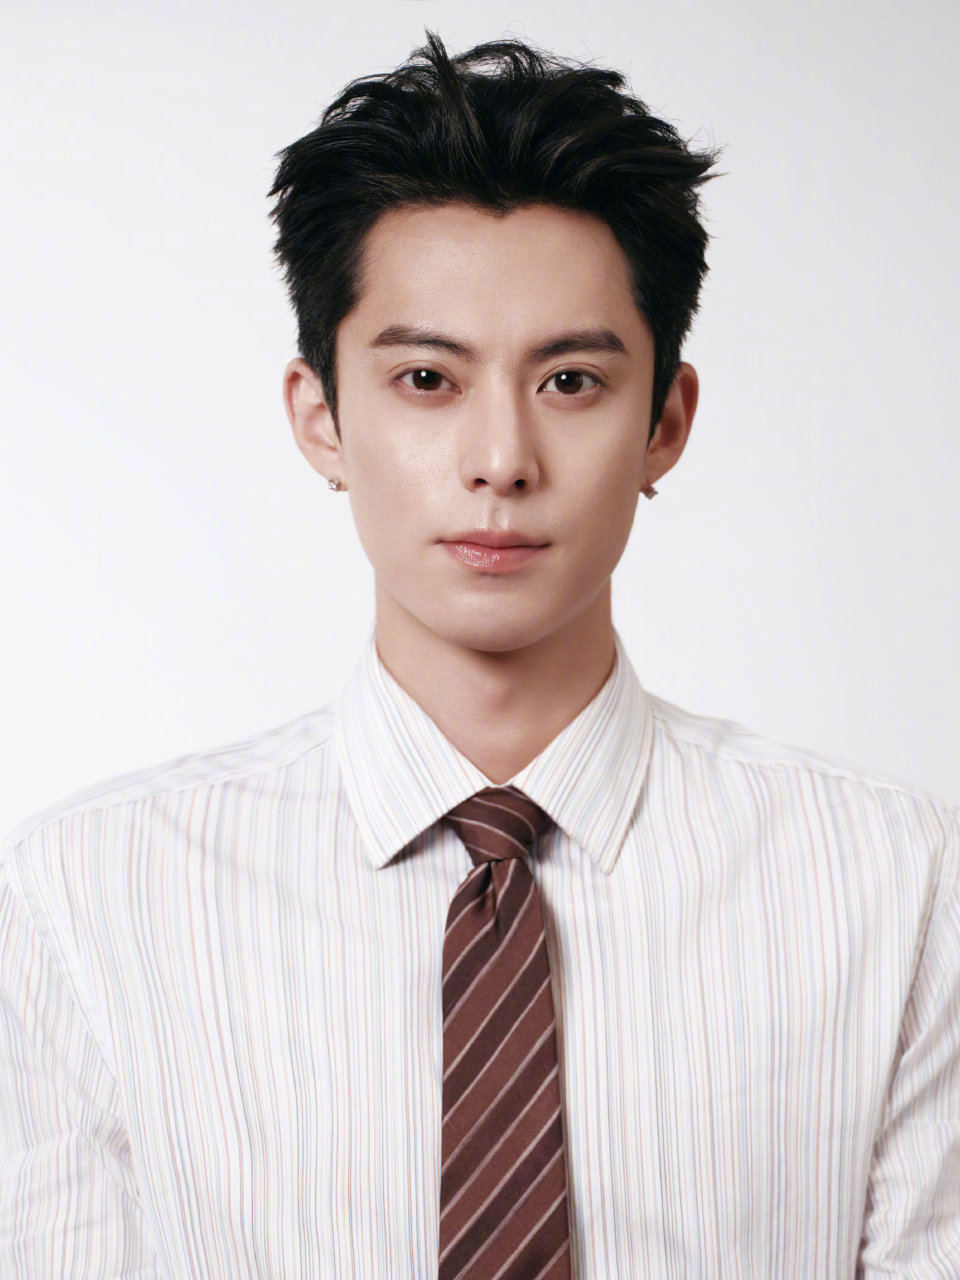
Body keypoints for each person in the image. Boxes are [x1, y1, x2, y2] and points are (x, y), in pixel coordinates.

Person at [1, 27, 957, 1279]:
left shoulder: (890, 883)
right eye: (426, 378)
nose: (501, 458)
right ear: (320, 417)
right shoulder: (95, 894)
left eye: (570, 381)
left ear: (665, 422)